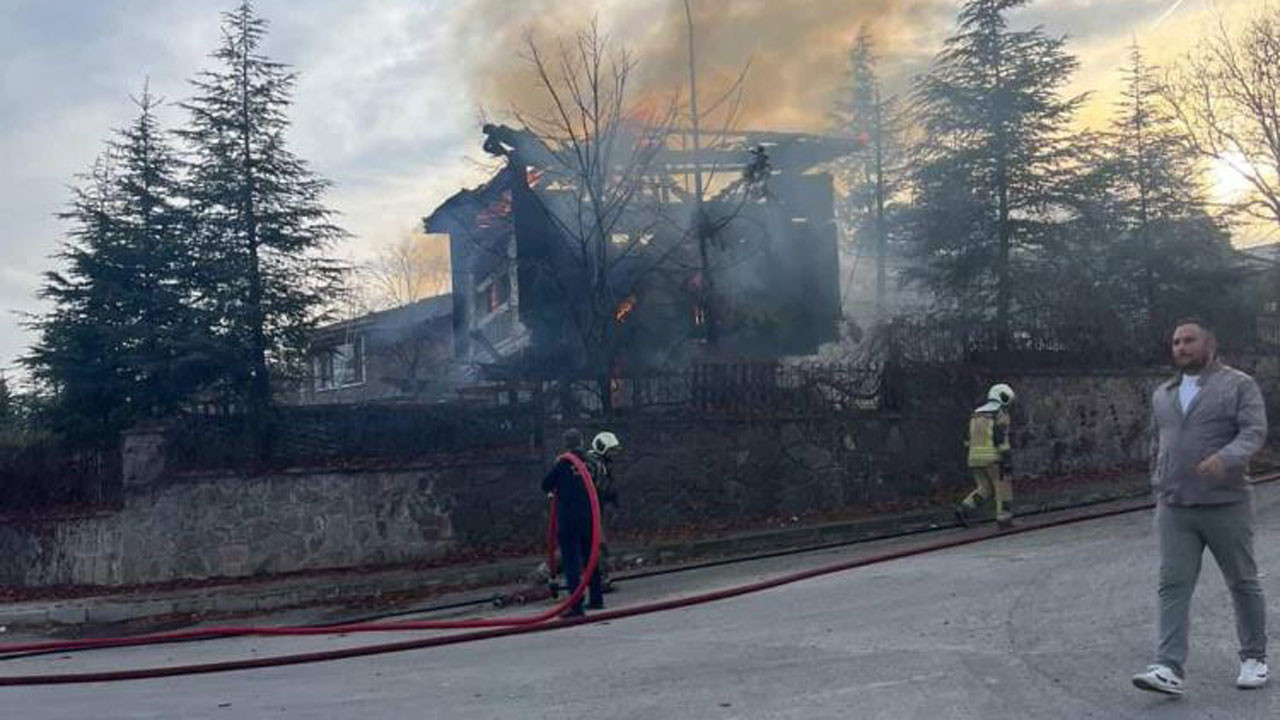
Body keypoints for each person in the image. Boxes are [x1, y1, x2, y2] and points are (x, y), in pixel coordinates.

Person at [1132, 317, 1269, 695]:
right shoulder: (1163, 393)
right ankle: (1168, 667)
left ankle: (1254, 658)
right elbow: (1158, 443)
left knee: (1242, 581)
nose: (1181, 347)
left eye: (1189, 340)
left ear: (1210, 343)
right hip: (1175, 507)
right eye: (1176, 342)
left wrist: (1226, 457)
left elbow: (1254, 431)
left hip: (1226, 503)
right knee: (1173, 584)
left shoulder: (1238, 385)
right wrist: (1156, 483)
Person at [541, 428, 604, 617]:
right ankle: (596, 598)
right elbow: (599, 479)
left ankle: (576, 605)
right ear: (582, 442)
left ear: (565, 443)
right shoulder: (591, 462)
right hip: (590, 515)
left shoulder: (562, 463)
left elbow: (546, 484)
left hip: (568, 518)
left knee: (571, 562)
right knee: (591, 557)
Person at [955, 383, 1017, 529]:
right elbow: (1000, 438)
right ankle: (1005, 519)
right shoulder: (1000, 414)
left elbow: (966, 437)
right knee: (1003, 488)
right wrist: (1006, 459)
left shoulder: (976, 413)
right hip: (993, 458)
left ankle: (964, 508)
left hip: (974, 458)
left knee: (984, 488)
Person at [589, 431, 623, 591]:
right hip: (589, 512)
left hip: (595, 511)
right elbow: (599, 489)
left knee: (593, 546)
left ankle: (543, 573)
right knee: (599, 545)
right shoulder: (594, 465)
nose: (614, 454)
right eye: (612, 450)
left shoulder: (603, 465)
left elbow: (608, 489)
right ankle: (602, 581)